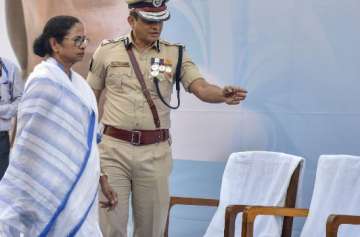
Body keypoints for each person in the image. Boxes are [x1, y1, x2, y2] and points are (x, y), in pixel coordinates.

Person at [87, 0, 248, 236]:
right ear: (131, 20)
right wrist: (87, 144)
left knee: (152, 228)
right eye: (150, 21)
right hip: (113, 151)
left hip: (154, 152)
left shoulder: (176, 53)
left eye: (161, 20)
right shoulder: (107, 51)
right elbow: (89, 99)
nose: (157, 27)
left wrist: (222, 95)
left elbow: (201, 87)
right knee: (111, 226)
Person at [0, 15, 103, 236]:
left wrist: (102, 178)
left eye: (85, 39)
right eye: (77, 40)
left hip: (77, 184)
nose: (83, 45)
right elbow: (29, 145)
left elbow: (88, 141)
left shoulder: (81, 87)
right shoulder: (43, 81)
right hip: (44, 183)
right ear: (55, 44)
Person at [0, 57, 24, 180]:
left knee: (2, 182)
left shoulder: (10, 68)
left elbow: (21, 101)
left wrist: (3, 110)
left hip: (1, 137)